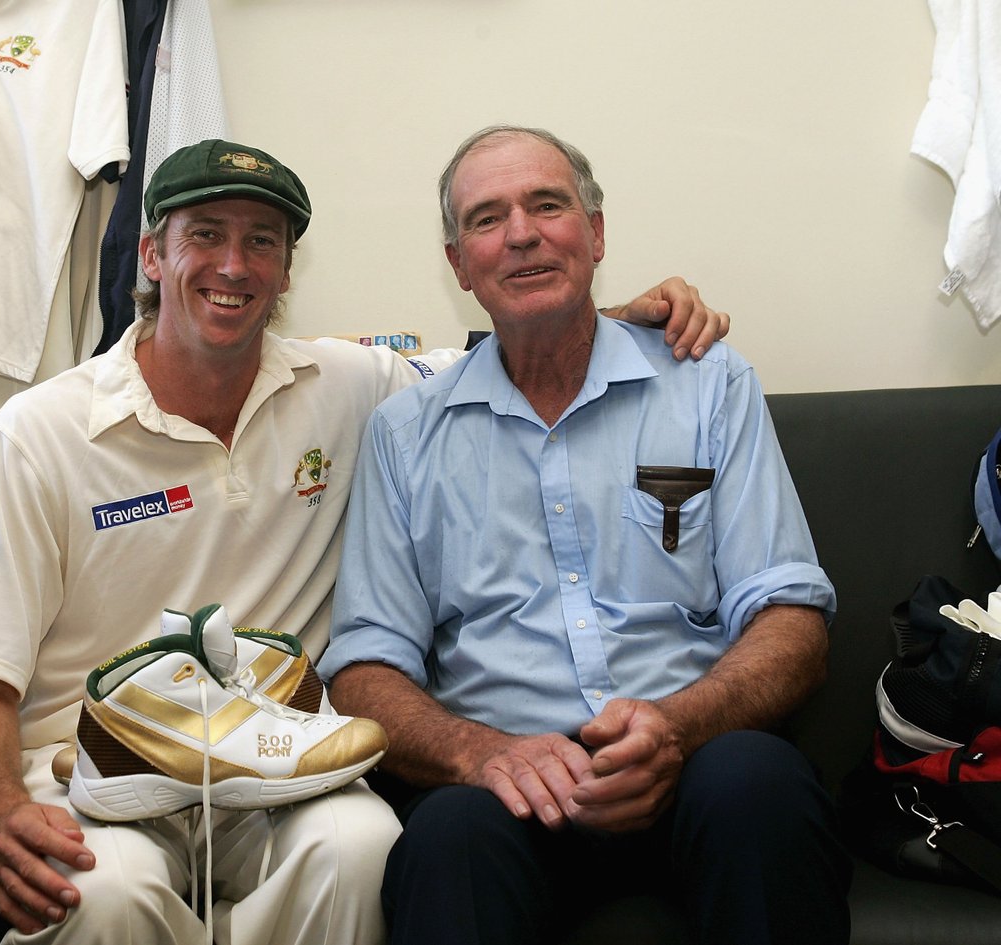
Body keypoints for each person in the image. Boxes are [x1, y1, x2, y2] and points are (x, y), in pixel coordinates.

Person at [0, 135, 730, 945]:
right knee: (103, 894)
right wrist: (0, 815)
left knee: (364, 846)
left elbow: (514, 348)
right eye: (205, 233)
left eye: (261, 242)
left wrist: (623, 321)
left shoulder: (349, 385)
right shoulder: (38, 432)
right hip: (98, 771)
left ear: (284, 271)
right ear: (153, 254)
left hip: (284, 763)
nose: (234, 265)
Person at [320, 124, 852, 945]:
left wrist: (677, 726)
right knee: (447, 838)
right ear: (459, 264)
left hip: (698, 761)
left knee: (758, 783)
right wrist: (478, 752)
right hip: (507, 792)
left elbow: (791, 616)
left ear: (596, 233)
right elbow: (363, 669)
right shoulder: (405, 431)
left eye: (548, 204)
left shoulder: (708, 385)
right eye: (488, 219)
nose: (524, 232)